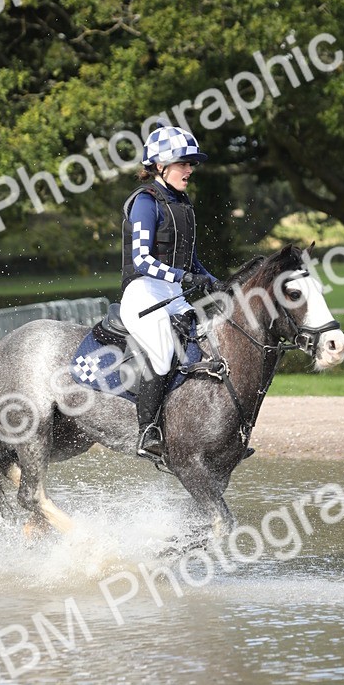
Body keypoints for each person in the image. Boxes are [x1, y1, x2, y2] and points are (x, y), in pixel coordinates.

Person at [120, 123, 223, 460]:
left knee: (205, 350)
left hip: (171, 296)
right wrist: (182, 276)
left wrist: (214, 281)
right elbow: (141, 259)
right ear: (161, 166)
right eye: (183, 163)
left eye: (191, 164)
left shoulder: (182, 203)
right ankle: (147, 433)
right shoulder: (145, 202)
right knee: (163, 353)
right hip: (142, 295)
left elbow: (191, 260)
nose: (190, 170)